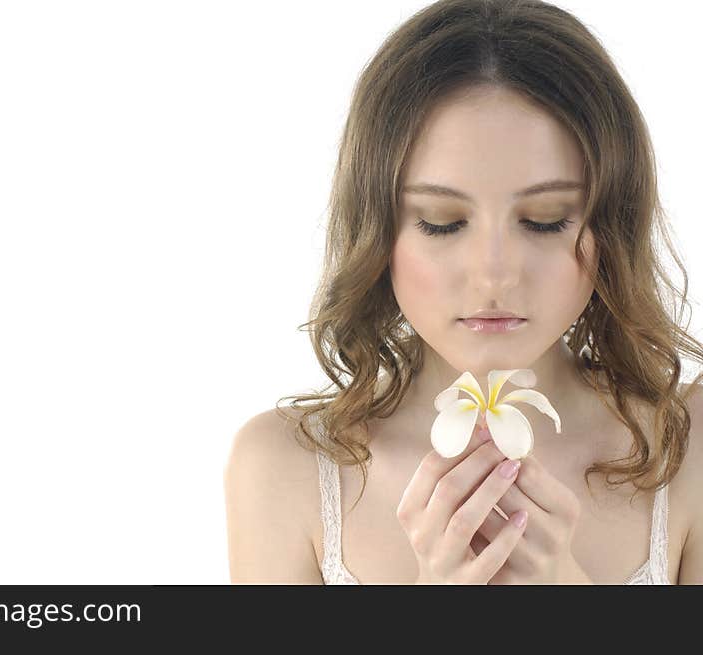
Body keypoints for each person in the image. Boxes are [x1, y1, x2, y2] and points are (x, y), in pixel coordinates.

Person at [223, 0, 703, 584]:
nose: (493, 275)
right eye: (442, 223)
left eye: (547, 220)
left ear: (612, 226)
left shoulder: (687, 449)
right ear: (378, 231)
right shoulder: (284, 468)